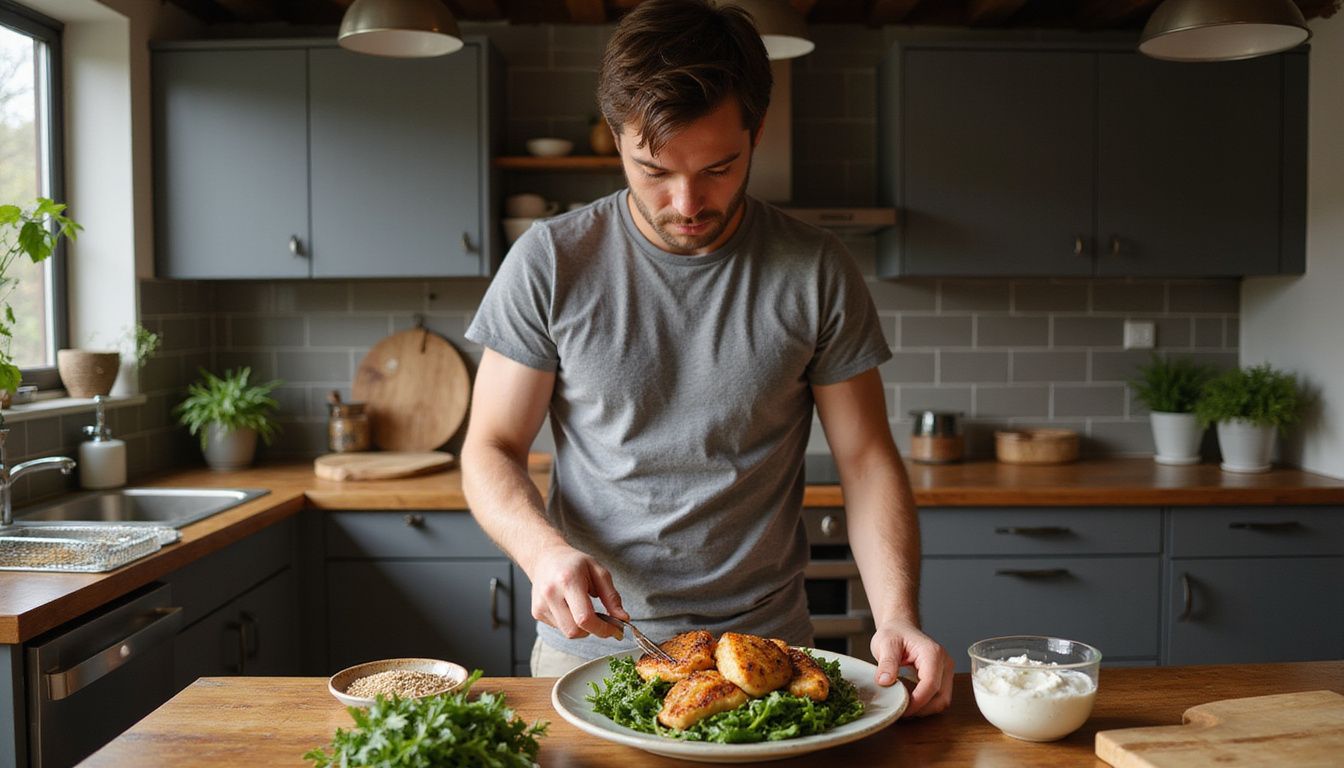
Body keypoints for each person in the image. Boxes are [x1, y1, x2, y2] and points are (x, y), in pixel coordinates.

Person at [461, 0, 953, 716]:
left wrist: (897, 616)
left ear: (756, 133)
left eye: (720, 168)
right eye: (653, 170)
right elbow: (490, 447)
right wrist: (544, 555)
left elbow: (868, 460)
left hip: (770, 662)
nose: (688, 202)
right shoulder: (551, 262)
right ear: (618, 141)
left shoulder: (815, 270)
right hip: (591, 656)